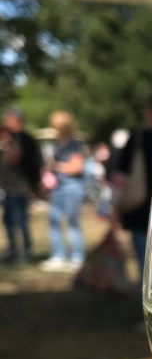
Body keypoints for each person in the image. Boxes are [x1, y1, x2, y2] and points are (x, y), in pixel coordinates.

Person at [113, 91, 152, 278]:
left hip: (140, 208)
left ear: (149, 111)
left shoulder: (137, 139)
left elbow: (121, 176)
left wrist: (115, 204)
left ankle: (144, 294)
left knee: (145, 264)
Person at [40, 111, 86, 272]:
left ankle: (77, 257)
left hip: (71, 187)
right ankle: (58, 255)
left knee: (72, 222)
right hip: (59, 187)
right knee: (53, 220)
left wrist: (56, 166)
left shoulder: (74, 145)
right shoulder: (57, 144)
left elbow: (77, 167)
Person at [0, 108, 43, 263]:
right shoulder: (14, 138)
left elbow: (14, 159)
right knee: (8, 220)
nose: (5, 122)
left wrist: (6, 142)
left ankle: (26, 251)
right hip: (8, 186)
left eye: (7, 118)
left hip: (18, 186)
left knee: (20, 220)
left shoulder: (21, 138)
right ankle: (12, 250)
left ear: (15, 120)